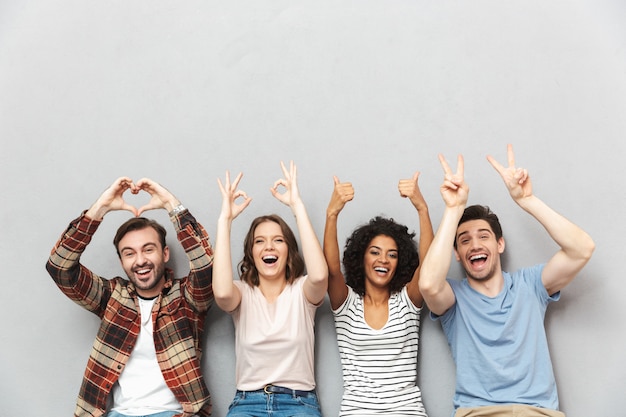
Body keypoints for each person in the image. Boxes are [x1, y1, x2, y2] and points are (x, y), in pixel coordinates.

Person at [418, 145, 595, 417]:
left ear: (500, 244)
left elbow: (582, 249)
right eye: (464, 240)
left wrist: (528, 200)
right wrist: (453, 210)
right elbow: (428, 284)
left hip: (537, 412)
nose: (475, 245)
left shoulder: (531, 285)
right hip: (478, 413)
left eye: (484, 236)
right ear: (457, 254)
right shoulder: (453, 298)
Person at [46, 177, 214, 417]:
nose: (140, 261)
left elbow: (207, 268)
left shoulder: (186, 298)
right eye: (129, 253)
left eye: (148, 249)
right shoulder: (112, 297)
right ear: (122, 261)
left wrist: (171, 204)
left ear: (165, 253)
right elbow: (59, 267)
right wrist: (100, 209)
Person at [213, 161, 328, 417]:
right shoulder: (241, 293)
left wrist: (297, 206)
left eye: (278, 240)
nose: (269, 247)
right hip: (247, 403)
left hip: (299, 403)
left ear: (289, 251)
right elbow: (221, 294)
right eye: (260, 241)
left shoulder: (302, 292)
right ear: (251, 252)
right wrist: (225, 220)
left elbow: (320, 277)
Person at [323, 172, 434, 416]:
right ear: (361, 257)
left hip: (406, 411)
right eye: (375, 252)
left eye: (392, 254)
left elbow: (429, 267)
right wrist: (332, 214)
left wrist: (422, 209)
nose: (383, 260)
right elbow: (331, 271)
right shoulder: (347, 305)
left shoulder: (406, 302)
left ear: (400, 262)